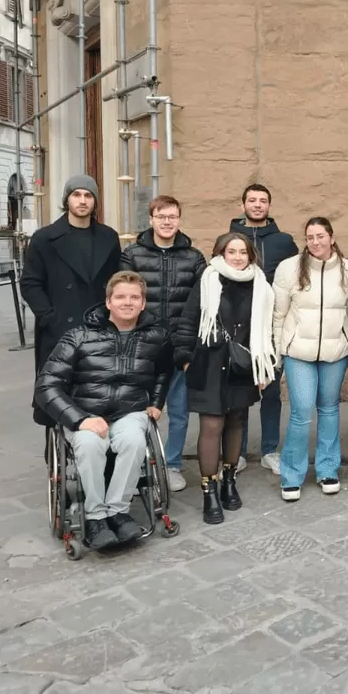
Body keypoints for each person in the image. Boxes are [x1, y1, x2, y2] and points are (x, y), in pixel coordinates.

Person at [35, 271, 171, 550]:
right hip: (86, 411)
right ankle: (96, 516)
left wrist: (156, 402)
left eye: (135, 297)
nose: (128, 302)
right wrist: (79, 419)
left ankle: (118, 512)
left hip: (130, 409)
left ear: (144, 303)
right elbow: (47, 386)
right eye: (120, 297)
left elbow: (163, 371)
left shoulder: (156, 336)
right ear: (108, 302)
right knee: (88, 443)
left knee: (134, 441)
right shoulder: (78, 337)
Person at [175, 232, 276, 524]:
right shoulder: (208, 280)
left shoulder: (260, 285)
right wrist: (184, 358)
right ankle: (209, 490)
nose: (238, 257)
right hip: (209, 362)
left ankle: (229, 481)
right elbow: (189, 321)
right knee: (211, 425)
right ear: (221, 253)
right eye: (232, 251)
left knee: (236, 422)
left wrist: (264, 365)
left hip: (243, 366)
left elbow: (266, 329)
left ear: (251, 255)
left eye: (243, 252)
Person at [118, 195, 206, 493]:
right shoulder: (133, 254)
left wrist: (189, 341)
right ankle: (140, 462)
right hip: (145, 346)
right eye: (161, 216)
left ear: (179, 219)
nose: (167, 222)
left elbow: (201, 302)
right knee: (140, 408)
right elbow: (124, 296)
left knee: (180, 411)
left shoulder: (193, 257)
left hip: (180, 345)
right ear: (151, 219)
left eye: (172, 216)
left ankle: (172, 463)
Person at [21, 175, 122, 428]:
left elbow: (115, 281)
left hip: (99, 328)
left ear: (95, 201)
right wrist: (49, 317)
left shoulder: (108, 237)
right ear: (67, 199)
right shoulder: (45, 238)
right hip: (60, 329)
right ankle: (55, 459)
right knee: (56, 395)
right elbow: (30, 283)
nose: (82, 200)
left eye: (88, 195)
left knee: (99, 392)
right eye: (77, 194)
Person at [273, 217, 348, 502]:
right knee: (300, 411)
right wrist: (278, 350)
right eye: (310, 237)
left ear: (332, 238)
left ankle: (327, 468)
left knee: (329, 408)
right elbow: (279, 314)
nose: (315, 242)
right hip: (299, 352)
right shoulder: (289, 269)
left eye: (320, 236)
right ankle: (292, 473)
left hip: (335, 352)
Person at [231, 183, 299, 475]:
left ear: (269, 206)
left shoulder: (284, 242)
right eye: (252, 200)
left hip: (272, 326)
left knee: (271, 391)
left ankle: (270, 449)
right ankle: (239, 450)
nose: (257, 205)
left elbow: (297, 277)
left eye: (263, 201)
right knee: (241, 390)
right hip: (239, 325)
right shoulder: (230, 239)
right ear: (243, 203)